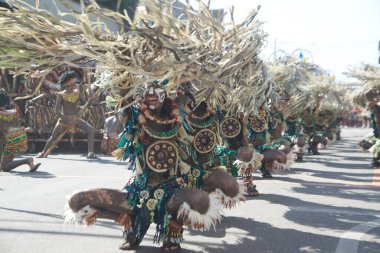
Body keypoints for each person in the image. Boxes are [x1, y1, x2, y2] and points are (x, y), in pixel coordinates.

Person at [36, 71, 98, 159]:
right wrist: (66, 119)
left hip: (76, 118)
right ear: (67, 83)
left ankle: (90, 153)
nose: (75, 84)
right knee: (53, 137)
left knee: (91, 130)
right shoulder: (61, 95)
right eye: (73, 82)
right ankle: (43, 153)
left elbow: (86, 105)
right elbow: (57, 112)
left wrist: (90, 101)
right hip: (64, 120)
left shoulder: (78, 93)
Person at [0, 89, 41, 172]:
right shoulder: (13, 111)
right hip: (12, 137)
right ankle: (30, 164)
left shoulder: (4, 114)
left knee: (4, 167)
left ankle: (28, 161)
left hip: (14, 139)